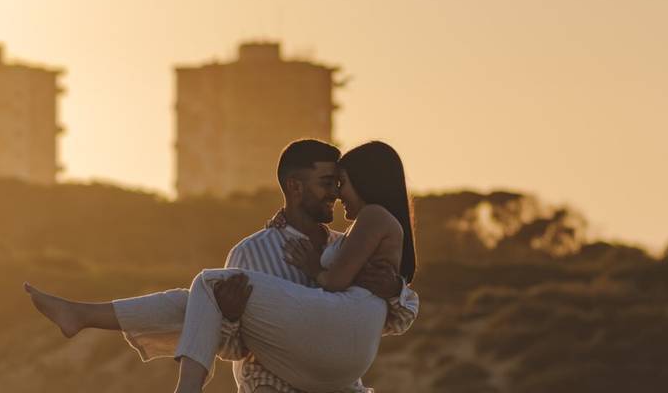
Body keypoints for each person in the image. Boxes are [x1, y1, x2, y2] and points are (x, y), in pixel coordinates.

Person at [24, 139, 419, 393]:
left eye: (340, 183)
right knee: (204, 296)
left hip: (336, 377)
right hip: (277, 386)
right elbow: (233, 346)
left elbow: (389, 316)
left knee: (207, 286)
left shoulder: (345, 244)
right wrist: (229, 320)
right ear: (296, 187)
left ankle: (176, 380)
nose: (335, 193)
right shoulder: (251, 255)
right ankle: (83, 314)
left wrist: (393, 289)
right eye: (327, 183)